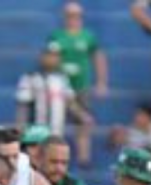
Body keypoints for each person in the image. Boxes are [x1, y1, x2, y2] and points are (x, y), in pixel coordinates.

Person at [48, 1, 108, 165]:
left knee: (83, 120)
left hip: (81, 85)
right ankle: (55, 155)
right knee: (58, 120)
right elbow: (50, 58)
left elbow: (98, 58)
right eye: (69, 15)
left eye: (76, 15)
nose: (72, 19)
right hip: (61, 85)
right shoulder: (57, 35)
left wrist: (102, 82)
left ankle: (83, 157)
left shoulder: (87, 36)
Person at [15, 48, 93, 164]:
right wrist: (20, 127)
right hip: (36, 134)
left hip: (57, 133)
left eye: (55, 56)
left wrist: (83, 115)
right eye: (49, 56)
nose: (52, 59)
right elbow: (23, 107)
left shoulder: (62, 79)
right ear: (41, 58)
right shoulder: (30, 78)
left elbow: (70, 102)